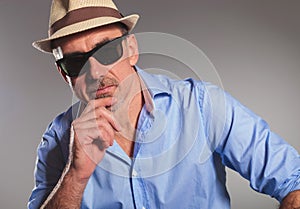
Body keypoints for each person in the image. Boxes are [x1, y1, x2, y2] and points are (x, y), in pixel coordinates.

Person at [28, 0, 300, 208]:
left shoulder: (201, 106)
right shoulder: (58, 141)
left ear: (131, 49)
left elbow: (293, 181)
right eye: (76, 62)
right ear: (64, 74)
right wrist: (75, 175)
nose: (96, 72)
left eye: (107, 50)